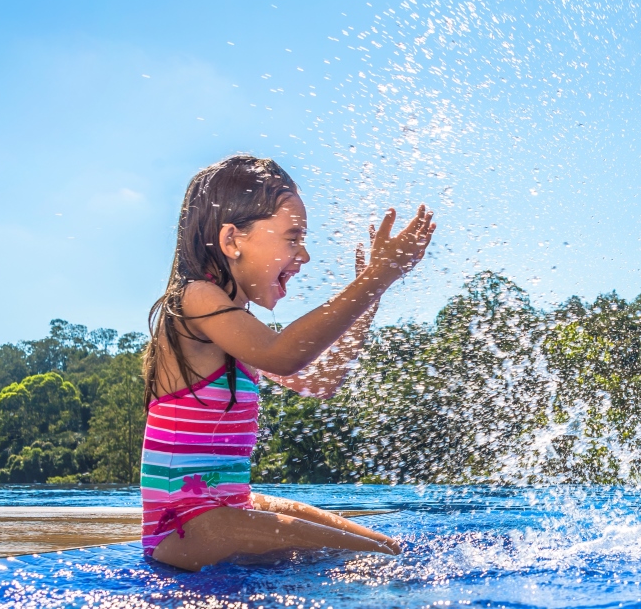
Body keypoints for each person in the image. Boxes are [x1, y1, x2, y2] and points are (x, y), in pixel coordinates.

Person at [140, 156, 436, 570]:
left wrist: (371, 297)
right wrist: (377, 276)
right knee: (377, 560)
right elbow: (285, 352)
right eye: (292, 238)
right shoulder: (194, 300)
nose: (305, 256)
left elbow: (321, 382)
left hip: (227, 505)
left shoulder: (237, 329)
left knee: (388, 549)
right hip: (185, 526)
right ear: (232, 240)